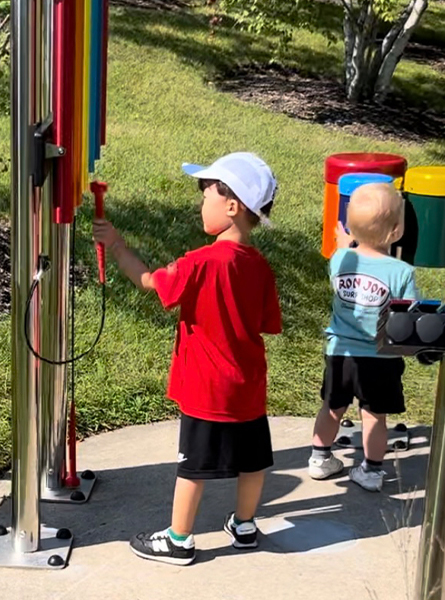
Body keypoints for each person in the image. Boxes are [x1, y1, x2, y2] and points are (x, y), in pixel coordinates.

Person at [93, 152, 282, 565]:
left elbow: (148, 282)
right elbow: (266, 322)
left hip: (207, 388)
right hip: (248, 384)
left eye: (206, 195)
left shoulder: (200, 262)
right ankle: (245, 525)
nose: (201, 203)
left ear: (231, 207)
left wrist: (116, 244)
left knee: (193, 466)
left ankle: (179, 539)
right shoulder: (261, 266)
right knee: (253, 461)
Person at [308, 182, 419, 492]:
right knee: (374, 417)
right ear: (396, 231)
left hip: (339, 353)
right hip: (380, 355)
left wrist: (346, 242)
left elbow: (343, 251)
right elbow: (410, 312)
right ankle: (371, 471)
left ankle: (319, 459)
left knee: (331, 407)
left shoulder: (339, 260)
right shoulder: (401, 272)